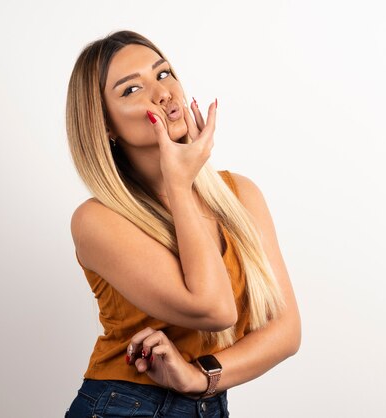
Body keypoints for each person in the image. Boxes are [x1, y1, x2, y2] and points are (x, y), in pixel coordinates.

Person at [64, 30, 301, 418]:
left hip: (207, 405)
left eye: (162, 74)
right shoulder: (96, 219)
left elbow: (286, 332)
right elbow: (215, 309)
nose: (162, 93)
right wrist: (179, 182)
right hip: (123, 405)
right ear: (105, 126)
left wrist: (199, 378)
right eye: (130, 90)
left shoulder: (240, 194)